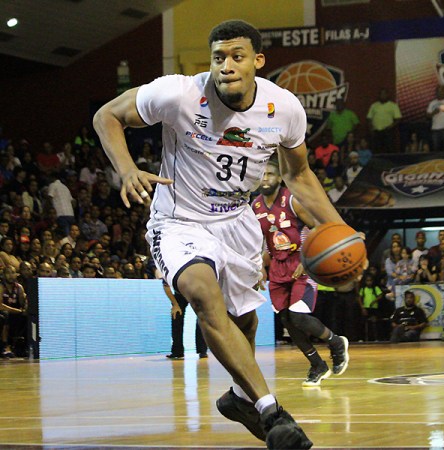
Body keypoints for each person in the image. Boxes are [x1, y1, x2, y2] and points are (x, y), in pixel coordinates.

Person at [93, 19, 349, 449]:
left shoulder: (284, 108)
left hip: (237, 222)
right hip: (179, 220)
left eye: (236, 56)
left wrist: (340, 229)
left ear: (257, 61)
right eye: (218, 58)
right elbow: (107, 116)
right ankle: (272, 411)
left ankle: (239, 399)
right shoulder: (178, 93)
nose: (226, 66)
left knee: (244, 320)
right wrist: (126, 168)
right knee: (203, 295)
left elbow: (299, 175)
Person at [252, 160, 349, 387]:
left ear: (280, 178)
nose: (265, 178)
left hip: (300, 263)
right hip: (277, 266)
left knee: (298, 316)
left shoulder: (292, 200)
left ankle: (336, 342)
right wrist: (259, 267)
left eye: (270, 174)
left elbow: (318, 228)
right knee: (287, 319)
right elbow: (260, 241)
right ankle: (317, 365)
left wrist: (307, 260)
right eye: (262, 174)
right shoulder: (254, 207)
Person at [162, 277, 208, 360]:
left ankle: (202, 350)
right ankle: (177, 351)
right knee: (176, 316)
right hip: (180, 293)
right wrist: (175, 305)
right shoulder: (169, 272)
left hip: (196, 292)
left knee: (201, 318)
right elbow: (166, 287)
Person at [366, 88, 402, 153]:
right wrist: (371, 129)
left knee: (389, 150)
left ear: (387, 95)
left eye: (384, 94)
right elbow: (369, 118)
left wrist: (390, 127)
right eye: (381, 94)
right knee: (376, 151)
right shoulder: (374, 106)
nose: (382, 95)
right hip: (376, 132)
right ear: (379, 95)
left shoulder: (393, 105)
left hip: (388, 132)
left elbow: (398, 119)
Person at [426, 85, 444, 152]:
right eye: (438, 91)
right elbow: (427, 116)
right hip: (435, 129)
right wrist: (434, 112)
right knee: (435, 150)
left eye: (441, 91)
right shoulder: (432, 103)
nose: (439, 93)